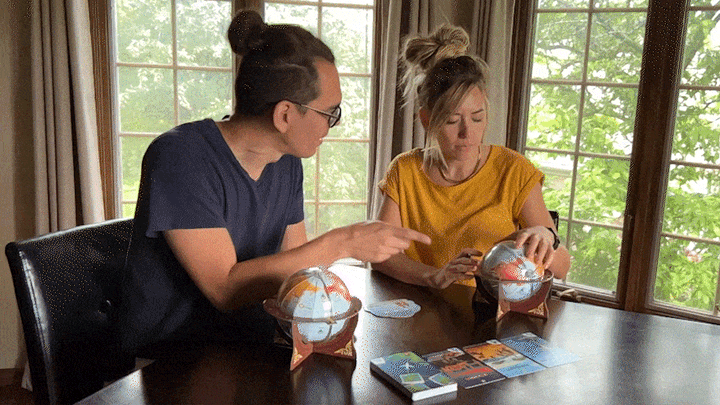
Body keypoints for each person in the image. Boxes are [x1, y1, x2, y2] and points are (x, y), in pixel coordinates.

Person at [118, 10, 430, 357]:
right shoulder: (180, 157)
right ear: (284, 115)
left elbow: (295, 270)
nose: (333, 125)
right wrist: (346, 241)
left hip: (251, 346)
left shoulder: (286, 162)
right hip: (170, 360)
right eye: (330, 113)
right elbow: (226, 289)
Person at [372, 25, 570, 292]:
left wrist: (546, 235)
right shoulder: (405, 170)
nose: (467, 133)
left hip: (491, 308)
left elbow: (563, 267)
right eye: (452, 120)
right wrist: (434, 276)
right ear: (427, 120)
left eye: (477, 118)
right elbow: (380, 255)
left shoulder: (514, 170)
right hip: (424, 306)